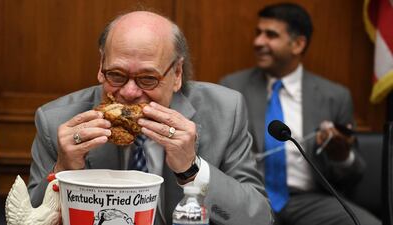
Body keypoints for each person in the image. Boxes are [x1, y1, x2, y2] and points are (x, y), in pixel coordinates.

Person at [27, 10, 273, 225]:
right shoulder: (56, 120)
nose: (129, 92)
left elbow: (258, 218)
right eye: (116, 75)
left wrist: (192, 169)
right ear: (101, 66)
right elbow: (26, 220)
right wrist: (63, 170)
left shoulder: (226, 111)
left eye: (147, 79)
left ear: (177, 74)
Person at [220, 2, 381, 225]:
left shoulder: (334, 96)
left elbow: (352, 175)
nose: (258, 42)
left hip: (309, 200)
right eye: (258, 33)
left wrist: (341, 155)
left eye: (271, 35)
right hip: (251, 196)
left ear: (297, 44)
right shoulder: (232, 87)